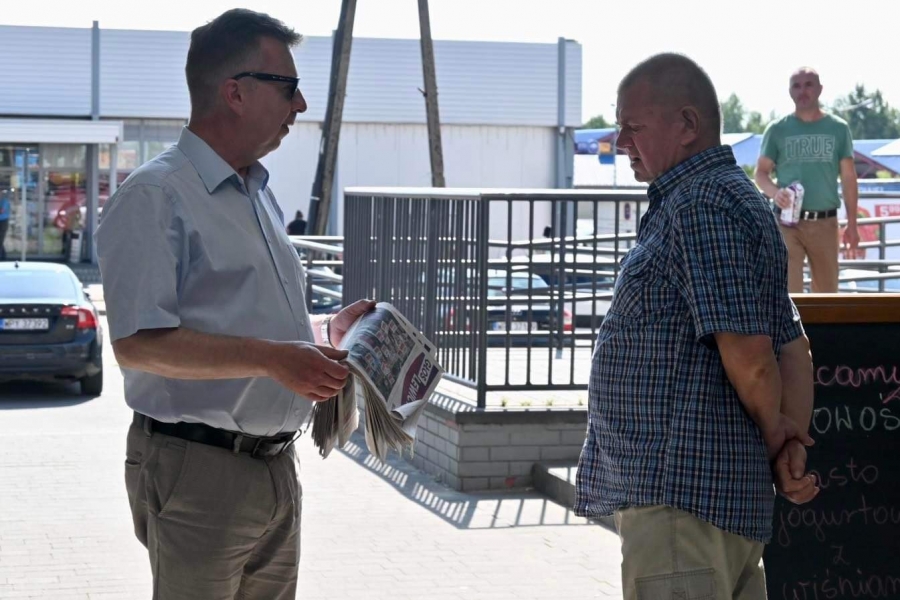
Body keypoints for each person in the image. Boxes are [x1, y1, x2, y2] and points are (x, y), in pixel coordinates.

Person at [95, 9, 374, 598]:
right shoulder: (156, 195)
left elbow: (248, 324)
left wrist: (324, 333)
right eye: (289, 87)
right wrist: (273, 359)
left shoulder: (255, 192)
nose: (300, 105)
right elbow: (138, 345)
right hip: (199, 469)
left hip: (274, 467)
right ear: (235, 92)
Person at [574, 53, 819, 600]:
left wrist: (778, 434)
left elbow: (752, 354)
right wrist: (787, 442)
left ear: (687, 124)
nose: (620, 141)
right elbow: (793, 347)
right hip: (710, 507)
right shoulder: (735, 199)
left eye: (633, 126)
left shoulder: (699, 203)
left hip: (682, 506)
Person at [755, 67, 859, 293]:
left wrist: (852, 224)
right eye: (796, 86)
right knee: (788, 294)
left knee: (827, 294)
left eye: (808, 85)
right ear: (789, 91)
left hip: (825, 222)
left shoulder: (838, 128)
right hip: (786, 222)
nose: (802, 91)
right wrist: (775, 193)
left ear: (820, 89)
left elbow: (849, 177)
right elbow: (761, 173)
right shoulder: (777, 129)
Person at [0, 192, 9, 260]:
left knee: (1, 239)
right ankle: (4, 257)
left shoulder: (4, 201)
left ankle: (2, 257)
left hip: (3, 222)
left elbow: (2, 211)